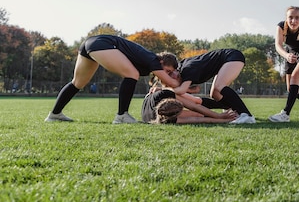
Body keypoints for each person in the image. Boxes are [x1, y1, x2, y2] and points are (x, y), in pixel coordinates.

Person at [44, 35, 182, 124]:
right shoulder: (154, 61)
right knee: (132, 74)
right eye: (168, 71)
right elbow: (171, 83)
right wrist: (184, 81)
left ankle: (54, 115)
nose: (167, 74)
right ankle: (122, 116)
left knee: (78, 83)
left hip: (91, 43)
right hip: (102, 44)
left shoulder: (150, 62)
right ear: (163, 61)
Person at [174, 49, 256, 124]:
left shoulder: (187, 69)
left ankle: (246, 115)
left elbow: (182, 90)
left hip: (232, 56)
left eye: (169, 73)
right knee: (215, 94)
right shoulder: (182, 68)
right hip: (226, 60)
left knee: (219, 86)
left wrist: (166, 90)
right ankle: (234, 111)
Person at [141, 85, 237, 124]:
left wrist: (220, 116)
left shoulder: (163, 94)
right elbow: (198, 118)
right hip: (153, 111)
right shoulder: (165, 120)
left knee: (196, 104)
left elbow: (194, 107)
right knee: (197, 113)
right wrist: (223, 119)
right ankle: (226, 105)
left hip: (147, 115)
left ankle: (225, 105)